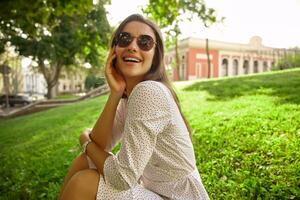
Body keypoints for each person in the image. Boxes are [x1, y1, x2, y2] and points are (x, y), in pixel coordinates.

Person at [59, 14, 209, 200]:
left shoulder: (149, 92)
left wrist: (86, 142)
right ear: (114, 49)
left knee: (84, 182)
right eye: (124, 39)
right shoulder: (129, 98)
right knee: (86, 161)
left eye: (145, 42)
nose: (132, 46)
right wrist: (115, 94)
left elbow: (122, 178)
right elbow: (102, 145)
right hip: (154, 193)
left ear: (155, 56)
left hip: (178, 197)